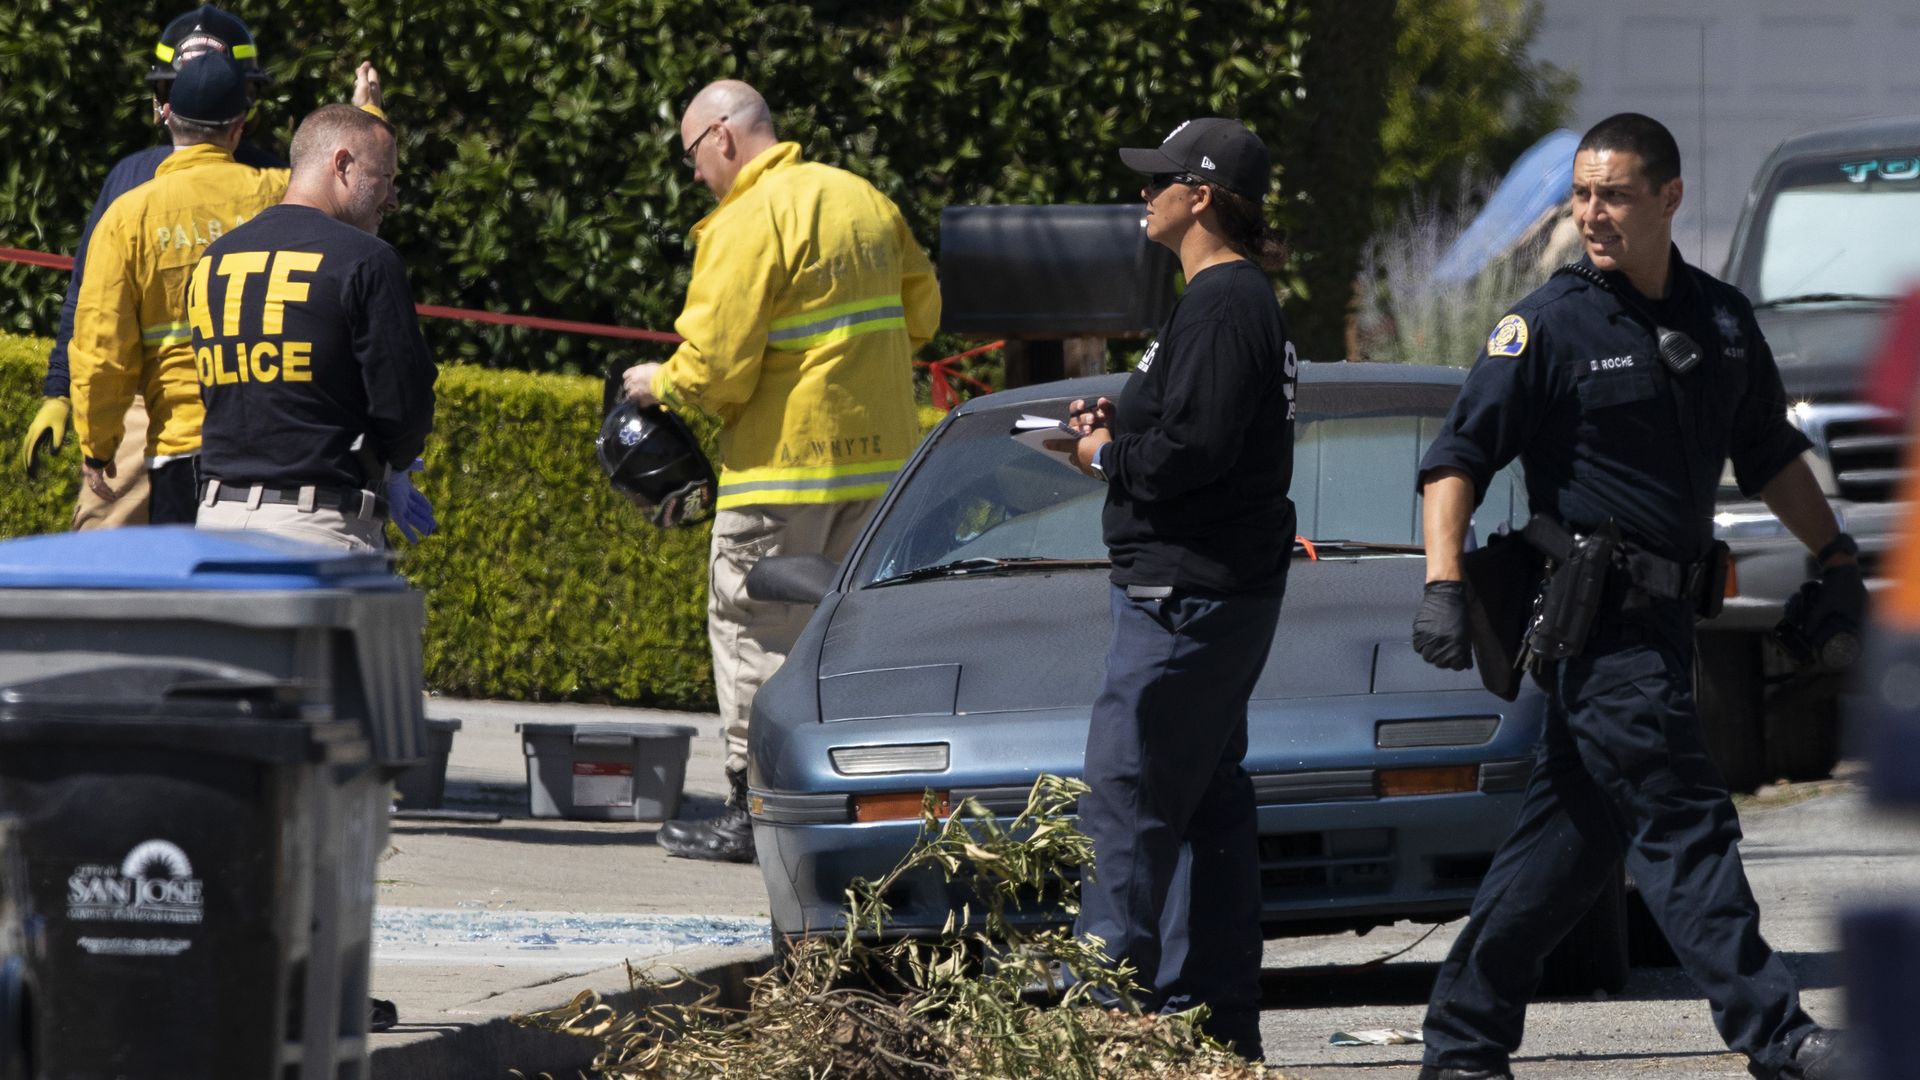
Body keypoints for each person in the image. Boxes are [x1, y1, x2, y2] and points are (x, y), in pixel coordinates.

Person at [1408, 113, 1854, 1080]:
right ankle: (1779, 1039)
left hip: (1665, 625)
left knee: (1564, 847)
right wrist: (1443, 583)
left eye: (1612, 194)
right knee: (1686, 822)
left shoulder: (1723, 321)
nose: (1591, 213)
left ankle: (1461, 1042)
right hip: (1596, 627)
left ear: (1668, 199)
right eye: (1581, 194)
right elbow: (1456, 460)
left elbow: (1771, 455)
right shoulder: (1550, 325)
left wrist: (1838, 558)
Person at [620, 80, 941, 863]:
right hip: (880, 478)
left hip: (777, 477)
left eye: (693, 153)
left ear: (723, 138)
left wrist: (656, 382)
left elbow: (718, 370)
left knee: (753, 637)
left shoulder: (746, 221)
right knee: (848, 643)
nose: (696, 172)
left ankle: (750, 807)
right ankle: (859, 801)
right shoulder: (863, 199)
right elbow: (924, 315)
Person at [1063, 116, 1297, 1062]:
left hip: (1183, 593)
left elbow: (1194, 452)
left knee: (1126, 797)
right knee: (1206, 804)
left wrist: (1104, 452)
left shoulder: (1224, 301)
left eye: (1158, 179)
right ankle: (1214, 1029)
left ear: (1200, 197)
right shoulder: (1225, 302)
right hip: (1210, 587)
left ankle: (1110, 1021)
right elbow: (1201, 418)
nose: (1143, 194)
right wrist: (1122, 416)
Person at [66, 52, 384, 525]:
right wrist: (368, 113)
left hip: (178, 451)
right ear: (238, 127)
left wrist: (98, 446)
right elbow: (347, 177)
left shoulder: (127, 218)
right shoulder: (276, 190)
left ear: (167, 114)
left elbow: (101, 350)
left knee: (190, 597)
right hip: (270, 454)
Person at [17, 5, 289, 526]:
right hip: (174, 409)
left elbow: (99, 327)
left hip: (204, 416)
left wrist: (91, 430)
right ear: (243, 109)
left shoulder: (138, 197)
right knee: (107, 556)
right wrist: (58, 391)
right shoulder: (278, 185)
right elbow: (87, 299)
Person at [190, 104, 437, 550]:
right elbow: (405, 405)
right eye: (386, 178)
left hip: (214, 524)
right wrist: (396, 464)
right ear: (342, 165)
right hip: (318, 530)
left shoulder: (215, 259)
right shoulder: (367, 259)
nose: (394, 199)